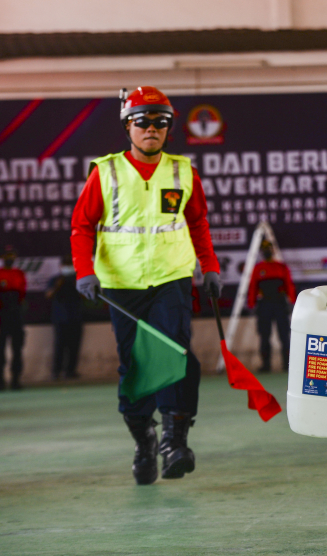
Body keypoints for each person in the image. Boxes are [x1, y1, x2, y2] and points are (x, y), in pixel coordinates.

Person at [71, 86, 222, 485]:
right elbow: (82, 226)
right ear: (128, 127)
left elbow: (197, 223)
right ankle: (144, 439)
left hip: (171, 278)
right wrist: (84, 271)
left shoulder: (183, 172)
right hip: (121, 285)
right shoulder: (105, 172)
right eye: (142, 121)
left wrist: (210, 267)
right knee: (135, 366)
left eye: (160, 121)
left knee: (173, 352)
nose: (151, 128)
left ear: (169, 128)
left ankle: (174, 443)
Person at [247, 240, 296, 373]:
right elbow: (253, 287)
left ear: (273, 250)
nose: (267, 251)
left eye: (268, 248)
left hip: (280, 304)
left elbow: (289, 285)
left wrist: (292, 301)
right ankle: (266, 365)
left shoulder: (281, 267)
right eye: (264, 249)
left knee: (284, 335)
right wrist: (251, 304)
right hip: (265, 305)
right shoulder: (258, 268)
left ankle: (287, 364)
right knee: (264, 335)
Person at [45, 255, 84, 380]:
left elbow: (86, 296)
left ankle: (70, 371)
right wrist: (57, 286)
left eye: (70, 264)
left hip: (76, 317)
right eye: (66, 265)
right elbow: (48, 295)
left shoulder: (78, 279)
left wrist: (77, 285)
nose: (68, 267)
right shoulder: (56, 279)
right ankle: (56, 371)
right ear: (61, 266)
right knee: (59, 346)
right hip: (60, 318)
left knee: (74, 346)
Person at [0, 246, 26, 391]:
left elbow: (22, 294)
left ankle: (15, 380)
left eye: (12, 255)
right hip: (1, 316)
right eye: (7, 255)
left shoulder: (19, 273)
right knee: (0, 350)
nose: (10, 258)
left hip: (15, 315)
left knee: (17, 349)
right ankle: (0, 381)